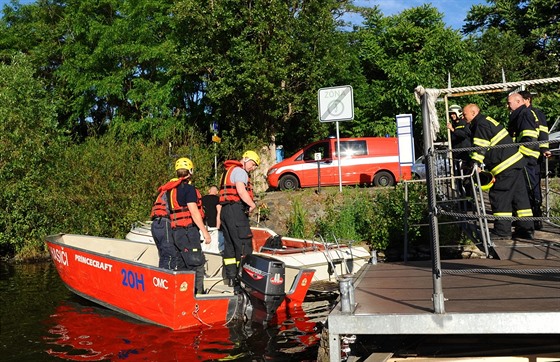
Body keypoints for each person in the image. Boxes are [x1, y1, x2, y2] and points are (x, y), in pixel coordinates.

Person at [463, 103, 534, 240]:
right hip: (516, 163)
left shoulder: (481, 124)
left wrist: (475, 164)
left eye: (464, 114)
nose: (463, 116)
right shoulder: (487, 120)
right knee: (520, 199)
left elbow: (480, 147)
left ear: (473, 112)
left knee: (499, 195)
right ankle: (526, 230)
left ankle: (502, 231)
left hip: (504, 166)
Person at [153, 158, 211, 294]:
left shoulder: (170, 190)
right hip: (188, 231)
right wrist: (205, 232)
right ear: (190, 172)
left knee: (182, 263)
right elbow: (194, 211)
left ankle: (183, 293)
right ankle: (198, 294)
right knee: (196, 262)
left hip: (176, 232)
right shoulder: (188, 189)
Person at [218, 150, 260, 289]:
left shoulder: (226, 172)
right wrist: (251, 204)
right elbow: (241, 191)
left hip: (225, 211)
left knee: (229, 246)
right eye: (253, 164)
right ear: (246, 159)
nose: (252, 168)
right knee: (244, 244)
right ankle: (245, 280)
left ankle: (231, 278)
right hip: (235, 210)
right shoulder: (240, 171)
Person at [507, 92, 541, 232]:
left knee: (529, 190)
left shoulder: (524, 114)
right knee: (525, 191)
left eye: (509, 103)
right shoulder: (520, 115)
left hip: (526, 159)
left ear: (518, 101)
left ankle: (533, 222)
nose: (507, 106)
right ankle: (528, 223)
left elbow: (529, 138)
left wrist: (520, 156)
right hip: (524, 158)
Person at [519, 90, 550, 229]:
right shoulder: (527, 114)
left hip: (530, 157)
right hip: (531, 156)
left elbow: (542, 133)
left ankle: (536, 218)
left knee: (532, 187)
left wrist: (543, 149)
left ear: (527, 100)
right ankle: (533, 218)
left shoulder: (532, 113)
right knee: (530, 187)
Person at [446, 104, 471, 194]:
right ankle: (462, 198)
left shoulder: (463, 123)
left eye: (453, 113)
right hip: (457, 154)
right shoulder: (455, 124)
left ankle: (469, 199)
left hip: (464, 155)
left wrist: (452, 129)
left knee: (467, 178)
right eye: (450, 114)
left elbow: (463, 135)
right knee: (458, 179)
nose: (452, 115)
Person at [201, 185, 223, 253]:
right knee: (214, 248)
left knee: (204, 246)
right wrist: (218, 226)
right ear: (217, 192)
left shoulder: (202, 199)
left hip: (204, 225)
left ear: (209, 191)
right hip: (214, 226)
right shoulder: (218, 199)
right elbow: (219, 213)